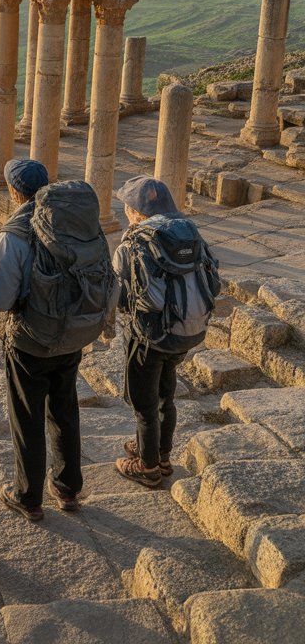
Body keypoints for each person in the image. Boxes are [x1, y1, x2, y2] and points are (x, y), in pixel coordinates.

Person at [0, 159, 116, 521]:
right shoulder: (78, 223)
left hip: (30, 340)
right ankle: (68, 488)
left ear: (14, 192)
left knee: (27, 416)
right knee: (64, 408)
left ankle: (28, 496)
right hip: (75, 333)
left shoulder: (14, 234)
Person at [112, 176, 218, 487]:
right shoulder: (189, 233)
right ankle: (161, 454)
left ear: (135, 212)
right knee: (165, 395)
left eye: (127, 209)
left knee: (144, 403)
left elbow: (120, 297)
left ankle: (147, 467)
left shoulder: (134, 242)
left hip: (148, 335)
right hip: (186, 331)